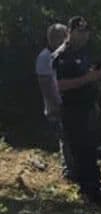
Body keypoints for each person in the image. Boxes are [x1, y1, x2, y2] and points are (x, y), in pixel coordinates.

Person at [53, 16, 101, 205]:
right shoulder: (61, 56)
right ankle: (89, 191)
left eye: (86, 32)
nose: (84, 36)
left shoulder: (85, 52)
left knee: (90, 149)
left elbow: (90, 78)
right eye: (79, 32)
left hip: (87, 108)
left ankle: (93, 185)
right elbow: (58, 85)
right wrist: (87, 79)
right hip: (72, 110)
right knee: (80, 151)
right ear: (69, 32)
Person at [36, 23, 75, 182]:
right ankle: (69, 171)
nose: (67, 41)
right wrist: (55, 106)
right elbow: (45, 85)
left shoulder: (63, 55)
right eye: (64, 38)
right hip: (57, 105)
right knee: (66, 139)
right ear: (53, 39)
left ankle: (74, 169)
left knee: (72, 137)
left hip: (69, 103)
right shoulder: (45, 57)